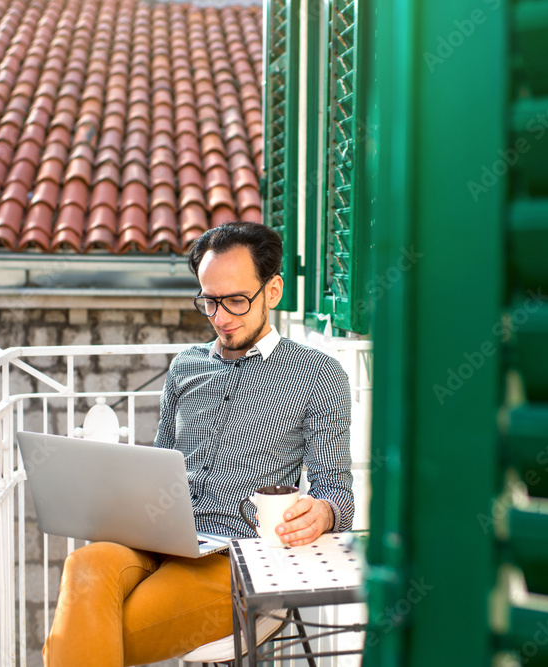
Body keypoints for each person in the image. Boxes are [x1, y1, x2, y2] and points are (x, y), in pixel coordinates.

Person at [43, 222, 354, 666]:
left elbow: (337, 493)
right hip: (154, 538)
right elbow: (158, 464)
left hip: (235, 556)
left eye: (236, 300)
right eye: (209, 301)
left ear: (273, 291)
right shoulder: (185, 367)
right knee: (83, 566)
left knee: (86, 633)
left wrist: (323, 512)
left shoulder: (318, 376)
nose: (221, 317)